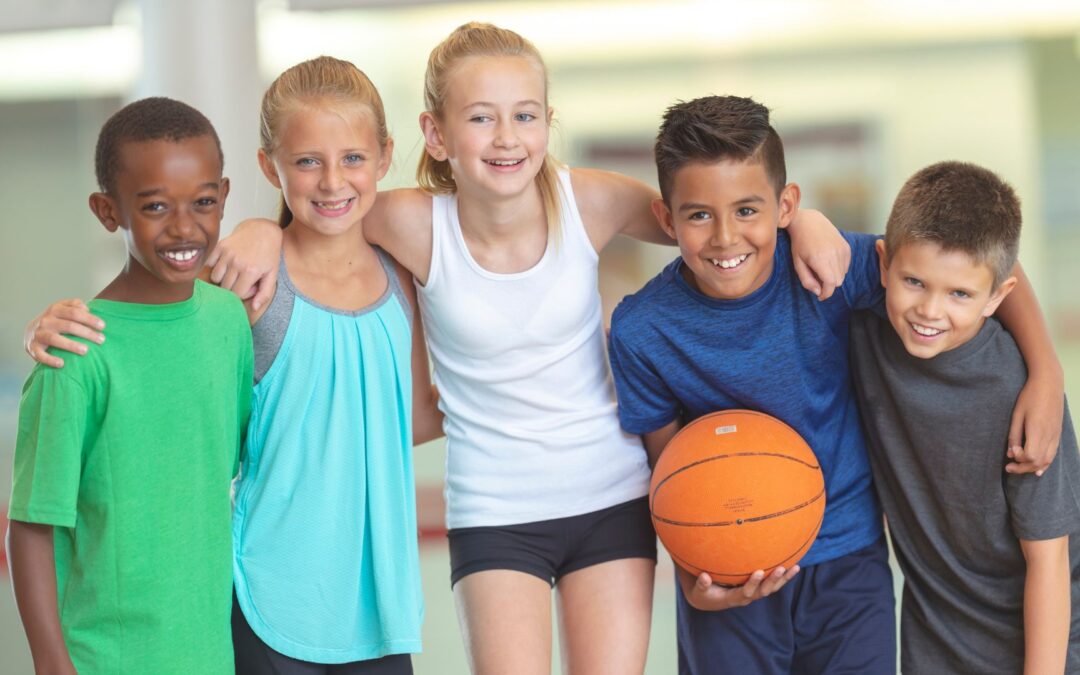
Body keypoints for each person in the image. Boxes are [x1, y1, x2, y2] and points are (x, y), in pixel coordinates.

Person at [28, 25, 850, 675]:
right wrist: (252, 228)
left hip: (610, 491)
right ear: (436, 133)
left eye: (525, 114)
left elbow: (705, 213)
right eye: (481, 117)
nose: (505, 136)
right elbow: (316, 210)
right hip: (493, 509)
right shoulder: (413, 221)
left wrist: (799, 218)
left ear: (548, 123)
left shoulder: (587, 199)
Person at [606, 95, 1065, 674]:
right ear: (668, 221)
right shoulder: (641, 330)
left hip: (849, 562)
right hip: (726, 563)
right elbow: (666, 469)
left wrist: (1047, 373)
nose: (725, 237)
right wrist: (694, 576)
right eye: (699, 215)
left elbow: (981, 264)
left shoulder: (829, 266)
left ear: (785, 204)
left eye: (748, 209)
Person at [23, 58, 441, 674]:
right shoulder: (242, 290)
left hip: (379, 608)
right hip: (263, 601)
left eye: (352, 158)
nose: (331, 181)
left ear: (383, 156)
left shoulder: (403, 273)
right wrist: (47, 327)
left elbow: (410, 416)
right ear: (269, 166)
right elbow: (164, 329)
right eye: (306, 161)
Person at [6, 97, 252, 674]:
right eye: (156, 207)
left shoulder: (227, 319)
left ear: (224, 196)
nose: (184, 227)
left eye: (204, 203)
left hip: (211, 653)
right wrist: (51, 662)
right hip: (105, 659)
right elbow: (32, 526)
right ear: (107, 210)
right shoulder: (76, 353)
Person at [849, 161, 1080, 674]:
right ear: (883, 264)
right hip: (936, 643)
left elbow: (1049, 563)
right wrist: (806, 223)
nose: (930, 310)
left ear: (998, 297)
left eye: (959, 295)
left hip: (1047, 648)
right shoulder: (865, 323)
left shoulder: (1020, 391)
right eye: (914, 282)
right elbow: (788, 233)